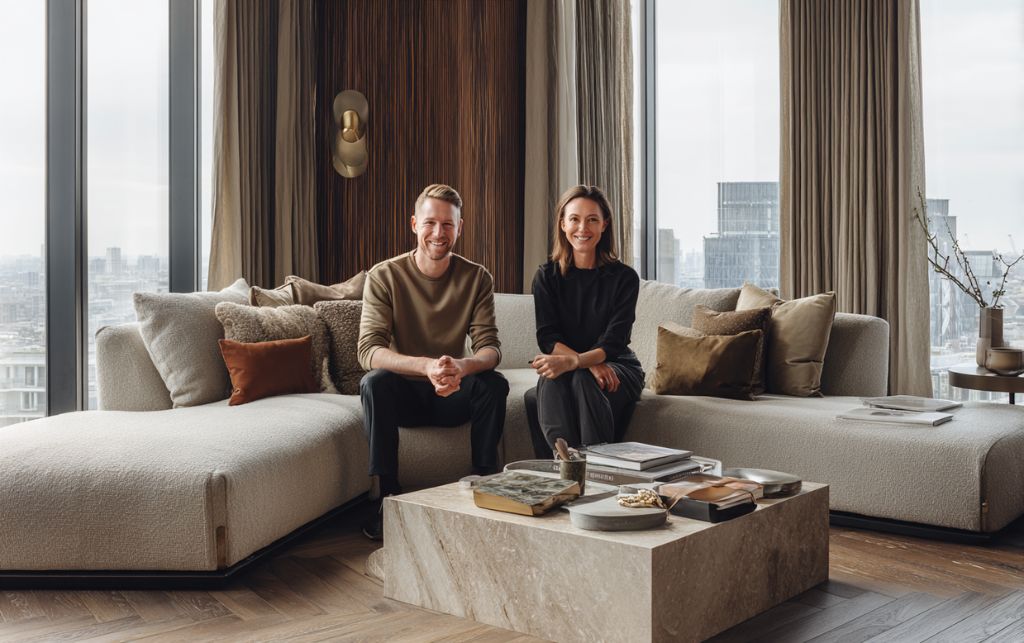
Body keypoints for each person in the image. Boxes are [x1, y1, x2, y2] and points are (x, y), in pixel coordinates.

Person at [357, 183, 509, 540]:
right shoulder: (384, 276)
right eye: (430, 223)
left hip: (452, 395)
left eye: (447, 224)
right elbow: (369, 351)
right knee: (374, 383)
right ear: (414, 224)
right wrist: (426, 366)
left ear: (460, 228)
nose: (438, 233)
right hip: (404, 398)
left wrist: (462, 366)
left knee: (493, 384)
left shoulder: (477, 277)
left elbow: (490, 349)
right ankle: (388, 496)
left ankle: (483, 483)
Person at [527, 185, 644, 456]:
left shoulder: (625, 278)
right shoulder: (546, 277)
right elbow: (548, 338)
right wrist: (584, 363)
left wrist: (577, 363)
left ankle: (596, 463)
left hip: (618, 365)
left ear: (604, 224)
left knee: (581, 379)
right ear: (563, 224)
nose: (583, 228)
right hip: (574, 364)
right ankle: (565, 464)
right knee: (552, 379)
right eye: (574, 219)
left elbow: (614, 342)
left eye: (592, 219)